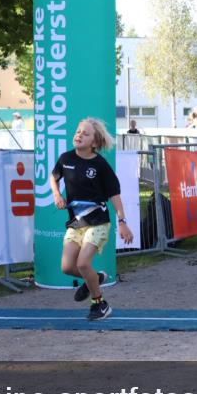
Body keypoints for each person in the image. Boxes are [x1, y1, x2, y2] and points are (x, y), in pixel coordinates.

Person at [50, 117, 134, 321]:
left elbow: (115, 195)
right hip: (76, 222)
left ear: (94, 143)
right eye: (78, 131)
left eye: (85, 133)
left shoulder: (100, 165)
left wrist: (122, 222)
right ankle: (95, 279)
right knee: (67, 267)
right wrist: (57, 194)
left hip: (98, 221)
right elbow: (54, 176)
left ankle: (99, 303)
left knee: (82, 263)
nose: (79, 135)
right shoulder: (65, 159)